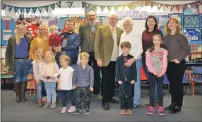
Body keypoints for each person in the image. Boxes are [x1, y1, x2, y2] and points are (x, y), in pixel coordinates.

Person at [95, 13, 123, 110]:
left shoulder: (120, 31)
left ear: (117, 20)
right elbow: (97, 45)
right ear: (108, 19)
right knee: (105, 80)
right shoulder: (101, 29)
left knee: (112, 80)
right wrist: (98, 58)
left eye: (115, 19)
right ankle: (105, 100)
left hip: (116, 60)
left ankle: (110, 97)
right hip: (105, 60)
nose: (113, 20)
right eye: (111, 18)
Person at [164, 18, 190, 114]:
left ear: (177, 25)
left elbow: (187, 49)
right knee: (172, 85)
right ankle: (173, 103)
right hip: (169, 64)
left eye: (172, 23)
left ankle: (178, 105)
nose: (170, 24)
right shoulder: (166, 37)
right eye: (169, 23)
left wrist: (179, 59)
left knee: (177, 85)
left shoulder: (181, 36)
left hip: (178, 64)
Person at [119, 17, 143, 108]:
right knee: (126, 81)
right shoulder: (122, 35)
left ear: (132, 25)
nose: (126, 26)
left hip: (135, 60)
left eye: (128, 24)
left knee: (135, 81)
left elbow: (140, 49)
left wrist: (133, 59)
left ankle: (136, 102)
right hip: (125, 60)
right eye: (124, 25)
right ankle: (127, 100)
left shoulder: (136, 34)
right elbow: (120, 48)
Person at [6, 23, 31, 102]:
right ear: (17, 30)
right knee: (17, 78)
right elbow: (8, 52)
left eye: (23, 29)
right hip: (16, 62)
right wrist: (7, 64)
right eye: (20, 29)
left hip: (26, 61)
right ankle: (17, 96)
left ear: (25, 30)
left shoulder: (28, 38)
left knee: (24, 78)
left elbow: (30, 49)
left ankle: (23, 95)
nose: (22, 30)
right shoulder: (12, 39)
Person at [79, 11, 102, 100]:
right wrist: (82, 53)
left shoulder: (100, 26)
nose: (91, 17)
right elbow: (80, 40)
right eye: (90, 16)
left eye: (93, 15)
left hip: (97, 53)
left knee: (96, 73)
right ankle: (86, 92)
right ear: (87, 17)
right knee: (85, 72)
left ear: (95, 16)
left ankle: (96, 92)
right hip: (86, 53)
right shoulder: (82, 27)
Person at [142, 16, 163, 107]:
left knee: (157, 80)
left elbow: (162, 44)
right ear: (146, 22)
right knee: (151, 81)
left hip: (156, 59)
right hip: (146, 59)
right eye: (148, 21)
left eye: (152, 21)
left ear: (155, 23)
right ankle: (153, 101)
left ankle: (157, 101)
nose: (150, 22)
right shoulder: (144, 32)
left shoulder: (158, 32)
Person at [145, 34, 168, 116]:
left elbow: (165, 63)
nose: (156, 41)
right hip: (152, 73)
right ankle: (151, 106)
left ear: (161, 41)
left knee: (160, 90)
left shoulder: (164, 51)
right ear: (152, 41)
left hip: (161, 73)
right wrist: (154, 71)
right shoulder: (149, 51)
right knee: (152, 90)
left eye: (158, 40)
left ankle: (161, 106)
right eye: (154, 40)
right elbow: (148, 63)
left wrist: (162, 72)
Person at [29, 24, 51, 103]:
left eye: (44, 29)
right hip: (40, 64)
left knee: (49, 79)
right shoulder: (35, 40)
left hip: (50, 63)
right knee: (42, 80)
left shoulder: (50, 38)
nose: (42, 31)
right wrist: (37, 60)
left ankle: (50, 96)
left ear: (47, 30)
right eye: (40, 29)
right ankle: (44, 96)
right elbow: (31, 52)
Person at [116, 42, 137, 115]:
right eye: (124, 49)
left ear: (130, 49)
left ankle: (129, 107)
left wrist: (134, 79)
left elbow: (134, 69)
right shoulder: (118, 59)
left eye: (128, 49)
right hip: (122, 80)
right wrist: (118, 79)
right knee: (122, 94)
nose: (126, 50)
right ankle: (123, 107)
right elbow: (117, 70)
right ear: (121, 49)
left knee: (130, 93)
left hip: (130, 80)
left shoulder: (132, 58)